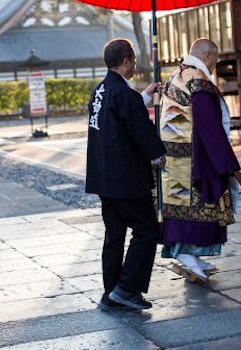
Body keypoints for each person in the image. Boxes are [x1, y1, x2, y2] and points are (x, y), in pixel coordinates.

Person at [86, 38, 166, 311]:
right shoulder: (124, 95)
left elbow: (120, 117)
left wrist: (143, 97)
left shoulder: (100, 91)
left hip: (104, 177)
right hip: (127, 179)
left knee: (114, 234)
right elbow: (138, 128)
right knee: (147, 229)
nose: (134, 64)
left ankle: (110, 292)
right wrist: (158, 155)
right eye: (132, 60)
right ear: (126, 61)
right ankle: (127, 288)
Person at [158, 38, 241, 281]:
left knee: (182, 209)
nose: (215, 64)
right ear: (207, 57)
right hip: (194, 159)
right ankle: (185, 254)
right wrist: (227, 162)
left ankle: (191, 256)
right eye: (215, 59)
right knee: (197, 208)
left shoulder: (178, 75)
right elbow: (210, 127)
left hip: (175, 159)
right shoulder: (199, 81)